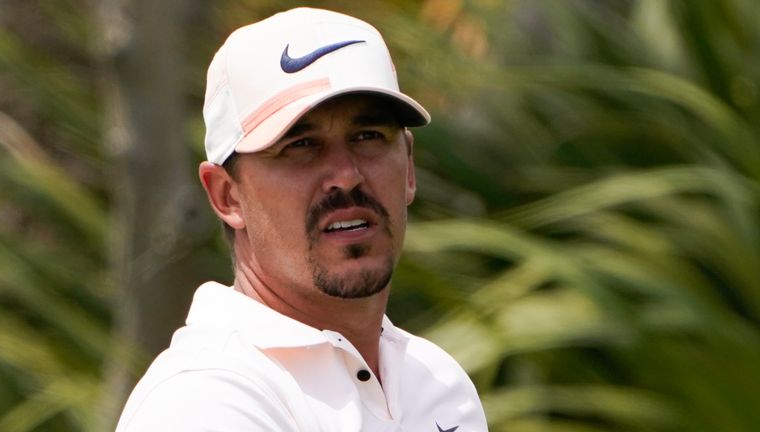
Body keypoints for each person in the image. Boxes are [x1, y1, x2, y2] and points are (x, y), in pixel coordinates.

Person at [115, 7, 488, 432]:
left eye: (368, 137)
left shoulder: (439, 383)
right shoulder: (204, 403)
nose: (346, 175)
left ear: (408, 168)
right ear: (226, 194)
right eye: (301, 145)